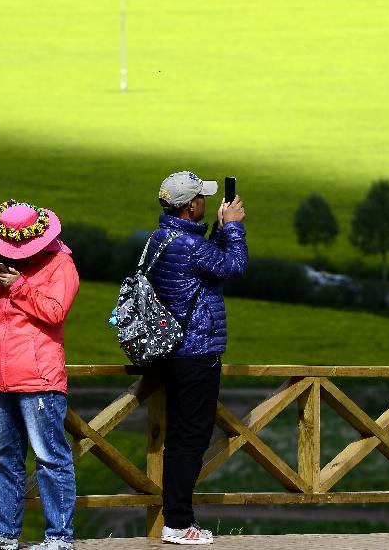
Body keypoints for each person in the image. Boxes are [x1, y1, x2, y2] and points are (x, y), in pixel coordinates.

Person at [0, 200, 79, 550]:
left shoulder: (62, 265)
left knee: (49, 457)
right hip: (0, 375)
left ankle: (59, 537)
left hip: (40, 378)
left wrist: (16, 287)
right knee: (3, 456)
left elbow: (54, 312)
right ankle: (2, 533)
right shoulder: (9, 267)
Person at [147, 171, 248, 545]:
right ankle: (178, 522)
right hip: (197, 352)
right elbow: (233, 267)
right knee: (191, 438)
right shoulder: (189, 244)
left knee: (177, 437)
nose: (206, 201)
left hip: (170, 351)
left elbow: (207, 269)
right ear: (192, 205)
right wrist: (234, 228)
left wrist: (219, 231)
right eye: (202, 198)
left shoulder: (162, 238)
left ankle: (175, 518)